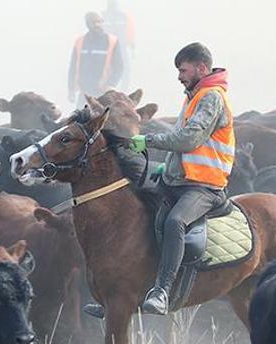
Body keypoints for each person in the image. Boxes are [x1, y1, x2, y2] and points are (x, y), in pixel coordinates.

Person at [128, 42, 235, 315]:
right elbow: (186, 145)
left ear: (201, 67)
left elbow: (189, 139)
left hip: (205, 186)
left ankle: (162, 291)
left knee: (175, 221)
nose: (179, 76)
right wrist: (168, 167)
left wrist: (148, 141)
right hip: (182, 181)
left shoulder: (211, 96)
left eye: (183, 69)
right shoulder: (193, 95)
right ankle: (125, 288)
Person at [67, 12, 124, 107]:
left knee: (104, 120)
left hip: (103, 92)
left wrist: (111, 84)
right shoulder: (80, 42)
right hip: (85, 93)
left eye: (99, 22)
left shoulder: (111, 41)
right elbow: (73, 67)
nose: (97, 25)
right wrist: (71, 89)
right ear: (87, 24)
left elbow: (119, 67)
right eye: (94, 22)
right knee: (81, 120)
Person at [102, 0, 135, 90]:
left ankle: (124, 89)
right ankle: (108, 88)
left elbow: (129, 30)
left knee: (125, 69)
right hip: (109, 47)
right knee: (108, 68)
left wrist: (131, 43)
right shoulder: (104, 16)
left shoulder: (123, 16)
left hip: (121, 46)